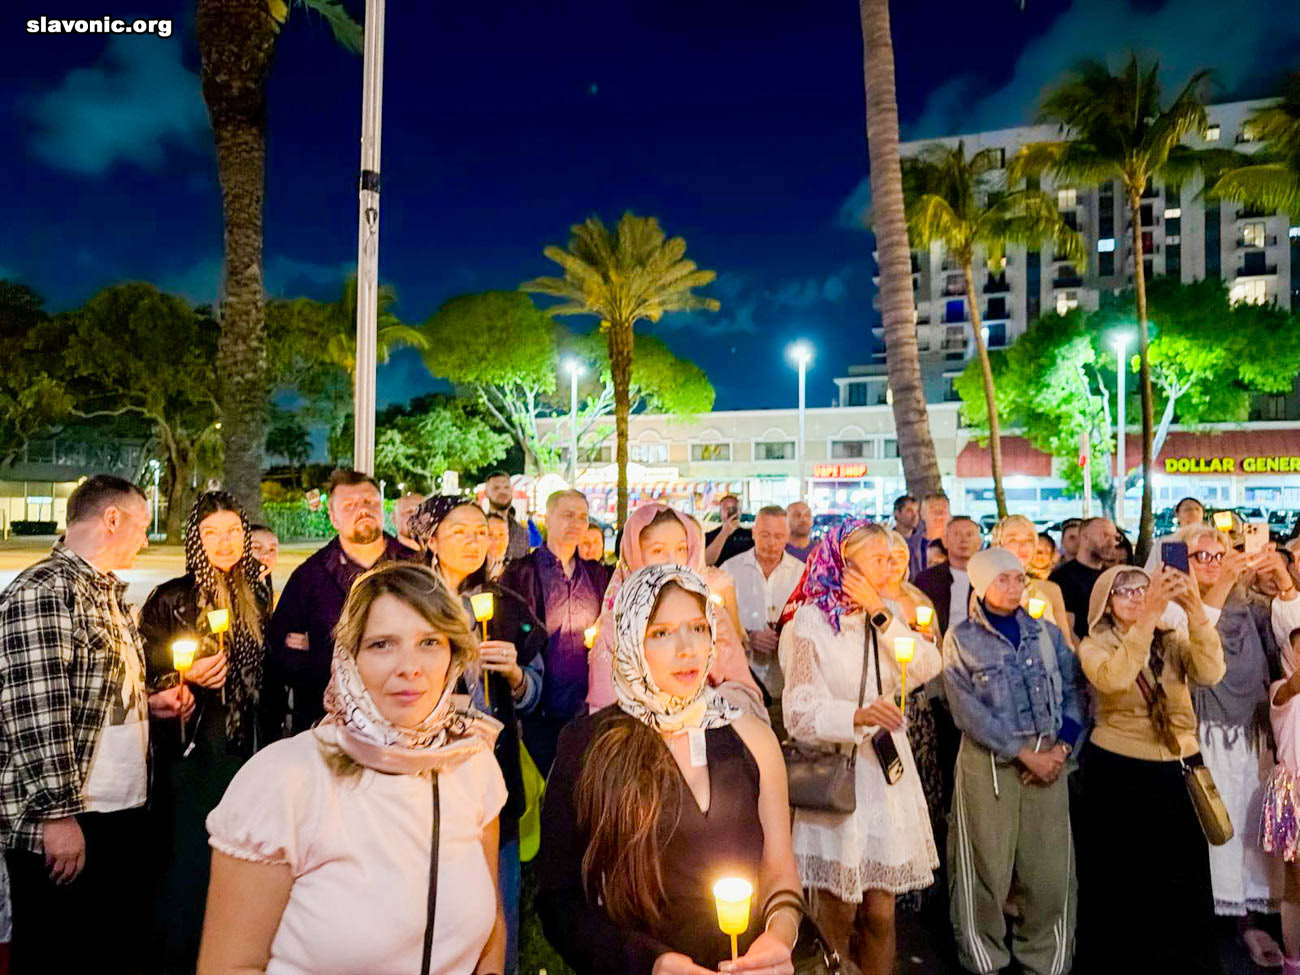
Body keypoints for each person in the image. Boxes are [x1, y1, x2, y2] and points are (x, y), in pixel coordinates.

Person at [198, 562, 507, 974]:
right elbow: (229, 965)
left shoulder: (471, 764)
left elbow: (490, 927)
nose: (410, 666)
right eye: (382, 644)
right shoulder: (284, 780)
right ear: (349, 658)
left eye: (430, 642)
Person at [538, 564, 802, 975]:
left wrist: (780, 935)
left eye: (697, 627)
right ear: (630, 639)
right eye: (661, 633)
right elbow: (558, 899)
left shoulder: (751, 736)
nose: (686, 649)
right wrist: (650, 963)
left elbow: (779, 871)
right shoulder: (589, 745)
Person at [0, 475, 189, 974]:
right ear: (111, 518)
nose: (145, 538)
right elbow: (35, 712)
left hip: (118, 812)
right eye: (142, 526)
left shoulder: (105, 592)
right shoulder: (44, 590)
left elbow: (92, 691)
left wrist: (147, 702)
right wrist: (57, 816)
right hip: (72, 818)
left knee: (109, 949)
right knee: (60, 951)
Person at [779, 522, 941, 975]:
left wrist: (881, 614)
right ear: (844, 566)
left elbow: (928, 664)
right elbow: (799, 712)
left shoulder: (885, 613)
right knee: (838, 913)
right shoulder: (808, 621)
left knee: (881, 914)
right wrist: (857, 716)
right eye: (878, 559)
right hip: (838, 778)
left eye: (892, 558)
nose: (890, 568)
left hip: (885, 778)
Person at [408, 496, 547, 975]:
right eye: (459, 532)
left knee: (495, 895)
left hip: (492, 769)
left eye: (481, 532)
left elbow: (534, 692)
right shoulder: (407, 601)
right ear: (431, 539)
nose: (474, 542)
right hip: (421, 771)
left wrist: (515, 676)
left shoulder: (505, 604)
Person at [138, 491, 272, 974]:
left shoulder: (257, 591)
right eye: (212, 533)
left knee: (241, 858)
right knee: (190, 859)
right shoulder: (172, 597)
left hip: (246, 747)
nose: (225, 542)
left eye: (233, 530)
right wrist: (183, 675)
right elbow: (142, 664)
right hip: (193, 748)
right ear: (196, 539)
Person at [1075, 563, 1225, 974]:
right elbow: (1115, 678)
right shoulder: (1094, 645)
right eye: (1124, 592)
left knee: (1182, 877)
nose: (1136, 598)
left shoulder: (1171, 638)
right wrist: (1146, 622)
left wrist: (1195, 611)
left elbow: (1211, 672)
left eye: (1143, 590)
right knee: (1126, 878)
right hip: (1121, 770)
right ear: (1106, 603)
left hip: (1179, 765)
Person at [942, 548, 1084, 975]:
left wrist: (1061, 749)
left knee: (1050, 870)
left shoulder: (1046, 634)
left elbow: (1074, 692)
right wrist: (1022, 753)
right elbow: (966, 710)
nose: (1013, 587)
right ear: (981, 585)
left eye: (1018, 578)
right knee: (985, 867)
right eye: (1002, 579)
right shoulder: (962, 639)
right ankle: (984, 960)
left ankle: (1045, 960)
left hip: (1050, 760)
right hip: (989, 764)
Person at [1185, 524, 1300, 964]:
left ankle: (1250, 923)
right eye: (1202, 556)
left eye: (1220, 555)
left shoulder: (1252, 607)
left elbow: (1292, 638)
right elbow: (1197, 638)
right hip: (1205, 735)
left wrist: (1283, 581)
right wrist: (1227, 581)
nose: (1214, 564)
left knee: (1252, 829)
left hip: (1252, 732)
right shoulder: (1177, 607)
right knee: (1217, 827)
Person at [264, 469, 419, 737]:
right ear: (333, 518)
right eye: (349, 505)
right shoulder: (309, 577)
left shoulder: (416, 568)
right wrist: (321, 654)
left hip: (404, 721)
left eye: (370, 502)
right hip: (328, 726)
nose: (363, 510)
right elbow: (280, 651)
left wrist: (320, 642)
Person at [586, 504, 764, 719]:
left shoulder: (713, 616)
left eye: (681, 549)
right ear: (634, 555)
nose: (672, 561)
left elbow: (746, 692)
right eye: (658, 551)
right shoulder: (615, 625)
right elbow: (604, 713)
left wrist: (696, 711)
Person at [501, 489, 605, 774]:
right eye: (568, 515)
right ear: (546, 518)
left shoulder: (596, 574)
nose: (576, 524)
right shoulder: (522, 573)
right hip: (540, 706)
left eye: (583, 517)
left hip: (586, 706)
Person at [722, 505, 805, 714]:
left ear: (787, 536)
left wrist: (787, 639)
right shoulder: (730, 571)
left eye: (778, 536)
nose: (771, 543)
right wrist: (748, 637)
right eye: (765, 535)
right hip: (743, 686)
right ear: (753, 533)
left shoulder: (802, 575)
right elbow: (717, 623)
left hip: (789, 687)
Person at [1264, 627, 1300, 975]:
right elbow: (1292, 688)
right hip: (1293, 794)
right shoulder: (1280, 689)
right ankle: (1293, 959)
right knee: (1296, 880)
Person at [991, 515, 1074, 646]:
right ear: (998, 544)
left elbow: (1066, 644)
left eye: (1029, 539)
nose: (1023, 545)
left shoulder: (1050, 590)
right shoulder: (986, 590)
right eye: (1013, 539)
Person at [1050, 517, 1126, 642]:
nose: (1112, 542)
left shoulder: (1112, 577)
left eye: (1115, 537)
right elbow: (1065, 628)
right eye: (1105, 535)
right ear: (1085, 537)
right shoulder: (1061, 578)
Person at [913, 516, 983, 637]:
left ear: (979, 543)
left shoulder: (989, 579)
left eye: (969, 535)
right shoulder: (927, 579)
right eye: (956, 535)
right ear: (945, 541)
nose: (963, 540)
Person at [485, 471, 530, 562]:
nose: (502, 492)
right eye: (496, 488)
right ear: (486, 493)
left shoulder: (521, 532)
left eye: (506, 487)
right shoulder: (480, 529)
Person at [907, 492, 951, 580]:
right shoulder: (910, 546)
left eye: (943, 511)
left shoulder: (958, 544)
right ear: (922, 514)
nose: (939, 516)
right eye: (933, 511)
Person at [705, 493, 754, 566]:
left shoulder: (750, 536)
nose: (730, 511)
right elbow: (707, 561)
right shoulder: (709, 536)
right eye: (726, 508)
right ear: (720, 512)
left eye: (733, 508)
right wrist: (724, 532)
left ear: (740, 511)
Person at [486, 511, 511, 581]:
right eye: (490, 534)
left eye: (501, 534)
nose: (497, 541)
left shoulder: (517, 572)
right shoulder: (469, 569)